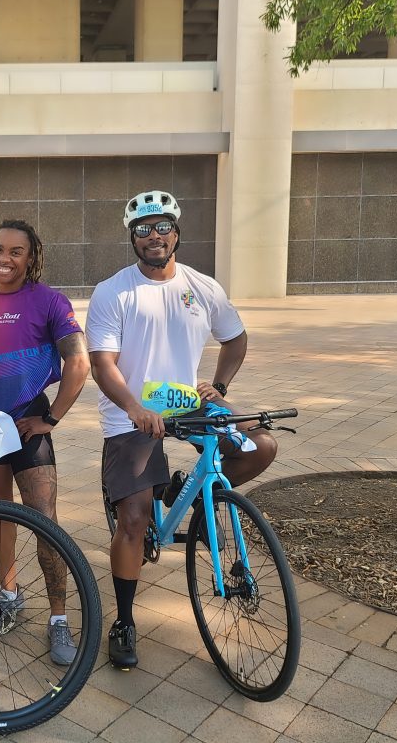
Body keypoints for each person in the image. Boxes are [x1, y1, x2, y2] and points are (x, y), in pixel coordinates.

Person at [85, 189, 278, 670]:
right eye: (143, 230)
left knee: (260, 445)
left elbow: (235, 339)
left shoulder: (203, 286)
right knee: (133, 520)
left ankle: (186, 492)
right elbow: (103, 365)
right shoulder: (114, 291)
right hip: (134, 415)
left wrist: (218, 385)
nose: (154, 237)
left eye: (162, 227)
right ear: (133, 237)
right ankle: (124, 622)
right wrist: (131, 406)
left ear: (177, 232)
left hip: (188, 405)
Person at [0, 220, 89, 665]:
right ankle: (9, 594)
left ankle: (59, 619)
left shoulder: (50, 301)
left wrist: (50, 419)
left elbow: (79, 363)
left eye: (16, 251)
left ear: (31, 257)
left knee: (45, 520)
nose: (5, 258)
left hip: (28, 424)